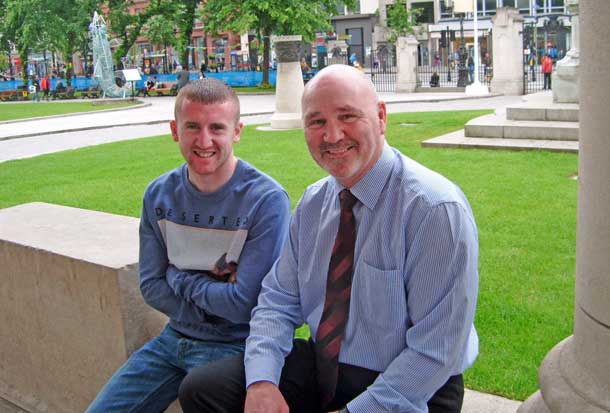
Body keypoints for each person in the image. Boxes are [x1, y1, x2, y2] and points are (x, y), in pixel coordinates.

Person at [179, 65, 479, 413]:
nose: (332, 135)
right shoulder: (314, 202)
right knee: (203, 390)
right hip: (327, 365)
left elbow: (436, 351)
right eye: (316, 121)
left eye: (347, 116)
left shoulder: (434, 209)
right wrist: (261, 382)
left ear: (381, 117)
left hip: (415, 384)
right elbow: (277, 301)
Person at [86, 78, 291, 413]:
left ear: (237, 131)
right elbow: (151, 285)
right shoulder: (159, 195)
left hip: (236, 348)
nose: (204, 140)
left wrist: (179, 279)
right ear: (174, 129)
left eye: (217, 128)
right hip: (171, 341)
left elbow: (244, 305)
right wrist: (212, 300)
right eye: (192, 126)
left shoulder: (266, 201)